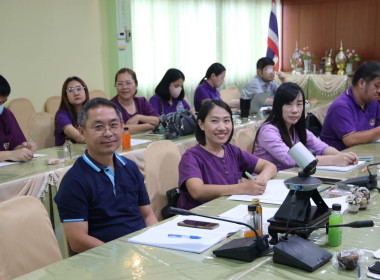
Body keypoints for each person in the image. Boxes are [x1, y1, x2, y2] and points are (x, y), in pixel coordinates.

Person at [54, 98, 158, 253]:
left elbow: (148, 215)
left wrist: (156, 243)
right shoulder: (74, 181)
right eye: (98, 127)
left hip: (141, 251)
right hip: (104, 260)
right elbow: (77, 241)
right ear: (82, 132)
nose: (108, 133)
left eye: (114, 125)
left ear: (122, 127)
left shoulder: (130, 167)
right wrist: (121, 253)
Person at [177, 99, 277, 210]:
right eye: (215, 121)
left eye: (226, 121)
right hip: (200, 218)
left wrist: (261, 178)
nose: (222, 127)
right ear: (201, 124)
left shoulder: (232, 151)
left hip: (230, 211)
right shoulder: (191, 157)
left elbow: (270, 166)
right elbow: (197, 191)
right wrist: (243, 188)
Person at [253, 82, 358, 171]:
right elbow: (293, 159)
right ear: (278, 106)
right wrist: (335, 160)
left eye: (299, 104)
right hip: (268, 184)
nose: (295, 110)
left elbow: (322, 148)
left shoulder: (296, 128)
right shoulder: (268, 131)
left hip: (290, 179)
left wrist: (342, 156)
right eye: (289, 104)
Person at [321, 61, 380, 150]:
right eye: (377, 86)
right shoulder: (341, 106)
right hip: (338, 159)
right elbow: (350, 140)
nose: (379, 91)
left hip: (363, 154)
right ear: (361, 83)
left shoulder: (372, 102)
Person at [0, 74, 37, 162]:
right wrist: (9, 155)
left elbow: (15, 145)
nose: (1, 106)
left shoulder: (6, 115)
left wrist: (23, 148)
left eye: (3, 102)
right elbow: (11, 154)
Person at [110, 68, 159, 133]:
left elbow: (157, 120)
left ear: (136, 85)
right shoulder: (111, 106)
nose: (124, 87)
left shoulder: (142, 102)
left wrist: (139, 117)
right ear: (115, 86)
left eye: (128, 83)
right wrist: (150, 126)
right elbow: (121, 129)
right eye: (120, 84)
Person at [55, 76, 89, 146]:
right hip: (68, 155)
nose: (76, 93)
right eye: (70, 90)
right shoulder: (61, 116)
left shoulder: (91, 110)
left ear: (85, 91)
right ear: (65, 96)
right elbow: (79, 138)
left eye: (79, 89)